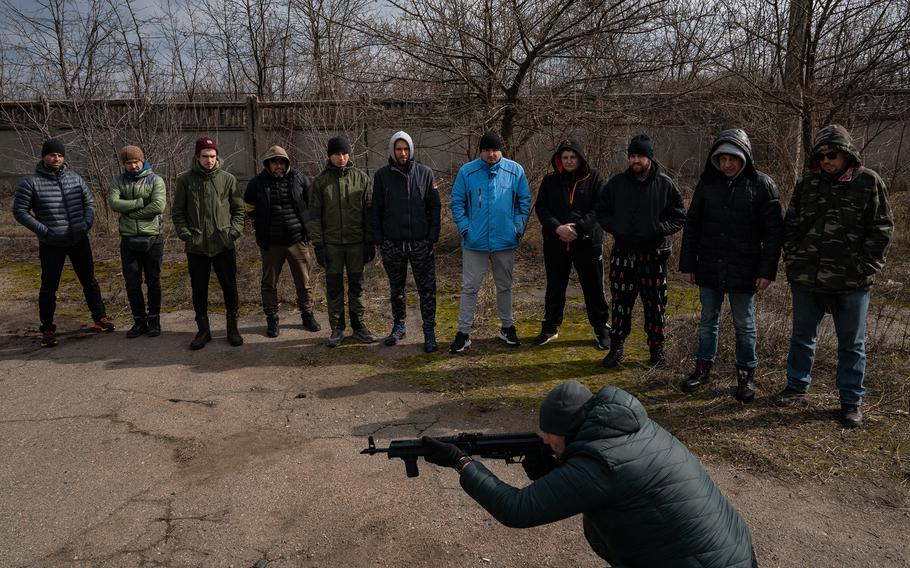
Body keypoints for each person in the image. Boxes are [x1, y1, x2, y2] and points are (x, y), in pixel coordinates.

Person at [421, 380, 758, 568]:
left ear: (566, 429)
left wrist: (461, 462)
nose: (547, 442)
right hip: (732, 554)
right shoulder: (632, 428)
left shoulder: (601, 463)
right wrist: (559, 464)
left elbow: (517, 509)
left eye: (550, 437)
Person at [777, 124, 893, 428]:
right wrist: (794, 259)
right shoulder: (807, 184)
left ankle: (851, 401)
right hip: (807, 279)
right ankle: (796, 385)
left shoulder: (869, 182)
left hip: (850, 282)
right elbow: (791, 225)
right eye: (822, 155)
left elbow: (881, 230)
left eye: (833, 154)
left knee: (852, 344)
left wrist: (865, 267)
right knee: (802, 337)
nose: (827, 160)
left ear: (846, 154)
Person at [679, 129, 784, 401]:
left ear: (745, 158)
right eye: (722, 158)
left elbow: (773, 235)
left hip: (745, 269)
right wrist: (688, 264)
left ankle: (746, 376)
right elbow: (692, 226)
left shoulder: (762, 185)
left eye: (732, 159)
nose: (727, 164)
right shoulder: (707, 184)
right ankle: (702, 370)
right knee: (707, 321)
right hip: (710, 265)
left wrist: (766, 271)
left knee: (745, 324)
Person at [13, 138, 114, 347]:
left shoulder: (75, 179)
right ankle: (48, 329)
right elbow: (20, 211)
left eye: (59, 155)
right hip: (51, 243)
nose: (56, 158)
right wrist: (44, 231)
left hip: (78, 239)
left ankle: (100, 318)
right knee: (49, 287)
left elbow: (90, 203)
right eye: (52, 155)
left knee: (89, 281)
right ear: (44, 157)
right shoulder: (31, 183)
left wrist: (86, 223)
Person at [596, 134, 685, 368]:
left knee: (655, 304)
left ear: (649, 158)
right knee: (621, 304)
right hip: (623, 255)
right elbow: (602, 211)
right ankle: (616, 349)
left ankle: (657, 350)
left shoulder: (665, 184)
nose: (635, 160)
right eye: (632, 156)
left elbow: (679, 215)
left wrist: (659, 228)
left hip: (654, 255)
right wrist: (616, 227)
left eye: (640, 156)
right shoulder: (616, 184)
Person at [449, 132, 531, 353]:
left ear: (501, 149)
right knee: (469, 287)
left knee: (504, 286)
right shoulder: (468, 172)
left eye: (495, 150)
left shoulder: (515, 171)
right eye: (487, 150)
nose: (491, 154)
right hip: (475, 242)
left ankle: (507, 327)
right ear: (481, 151)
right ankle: (463, 333)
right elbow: (457, 202)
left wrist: (517, 227)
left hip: (505, 240)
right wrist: (465, 229)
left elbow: (524, 202)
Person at [533, 137, 610, 349]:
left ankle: (601, 328)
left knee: (594, 287)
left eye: (573, 157)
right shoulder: (549, 181)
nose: (569, 161)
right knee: (555, 286)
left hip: (587, 242)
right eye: (565, 157)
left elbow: (600, 209)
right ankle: (550, 327)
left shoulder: (594, 179)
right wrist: (558, 228)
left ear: (580, 158)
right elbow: (541, 208)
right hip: (556, 241)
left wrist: (578, 228)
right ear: (559, 159)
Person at [172, 136, 245, 350]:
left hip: (223, 244)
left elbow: (238, 210)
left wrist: (233, 232)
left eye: (213, 156)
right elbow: (178, 212)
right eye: (205, 156)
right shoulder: (185, 180)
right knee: (199, 289)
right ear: (197, 157)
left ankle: (232, 328)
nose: (209, 160)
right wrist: (186, 234)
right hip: (197, 247)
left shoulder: (228, 179)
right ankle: (203, 331)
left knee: (229, 288)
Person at [372, 131, 441, 353]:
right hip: (393, 245)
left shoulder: (425, 173)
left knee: (427, 290)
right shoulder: (382, 176)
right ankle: (399, 326)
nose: (402, 153)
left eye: (405, 149)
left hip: (421, 243)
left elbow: (435, 207)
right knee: (396, 289)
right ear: (392, 151)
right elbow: (376, 210)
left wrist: (432, 236)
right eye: (398, 149)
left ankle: (429, 331)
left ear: (411, 150)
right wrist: (380, 239)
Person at [243, 145, 320, 338]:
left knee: (304, 282)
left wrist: (308, 232)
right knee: (269, 283)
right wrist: (262, 226)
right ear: (267, 164)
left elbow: (310, 205)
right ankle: (272, 318)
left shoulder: (299, 179)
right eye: (274, 162)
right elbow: (249, 208)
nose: (278, 165)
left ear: (287, 163)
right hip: (271, 244)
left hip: (297, 241)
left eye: (282, 162)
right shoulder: (256, 183)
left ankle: (307, 314)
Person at [308, 136, 377, 347]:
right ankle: (337, 329)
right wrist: (318, 245)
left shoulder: (362, 179)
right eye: (337, 154)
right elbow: (314, 217)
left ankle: (360, 327)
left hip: (356, 244)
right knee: (334, 288)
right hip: (332, 245)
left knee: (357, 286)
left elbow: (369, 214)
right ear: (330, 155)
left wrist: (369, 242)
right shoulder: (320, 182)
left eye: (345, 153)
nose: (341, 158)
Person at [107, 145, 167, 339]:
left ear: (142, 160)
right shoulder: (118, 181)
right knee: (132, 282)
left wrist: (130, 213)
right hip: (129, 240)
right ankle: (139, 320)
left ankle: (154, 320)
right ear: (123, 164)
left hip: (153, 239)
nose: (133, 166)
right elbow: (114, 203)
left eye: (135, 161)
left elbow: (158, 206)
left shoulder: (156, 180)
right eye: (128, 163)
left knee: (153, 281)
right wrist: (141, 203)